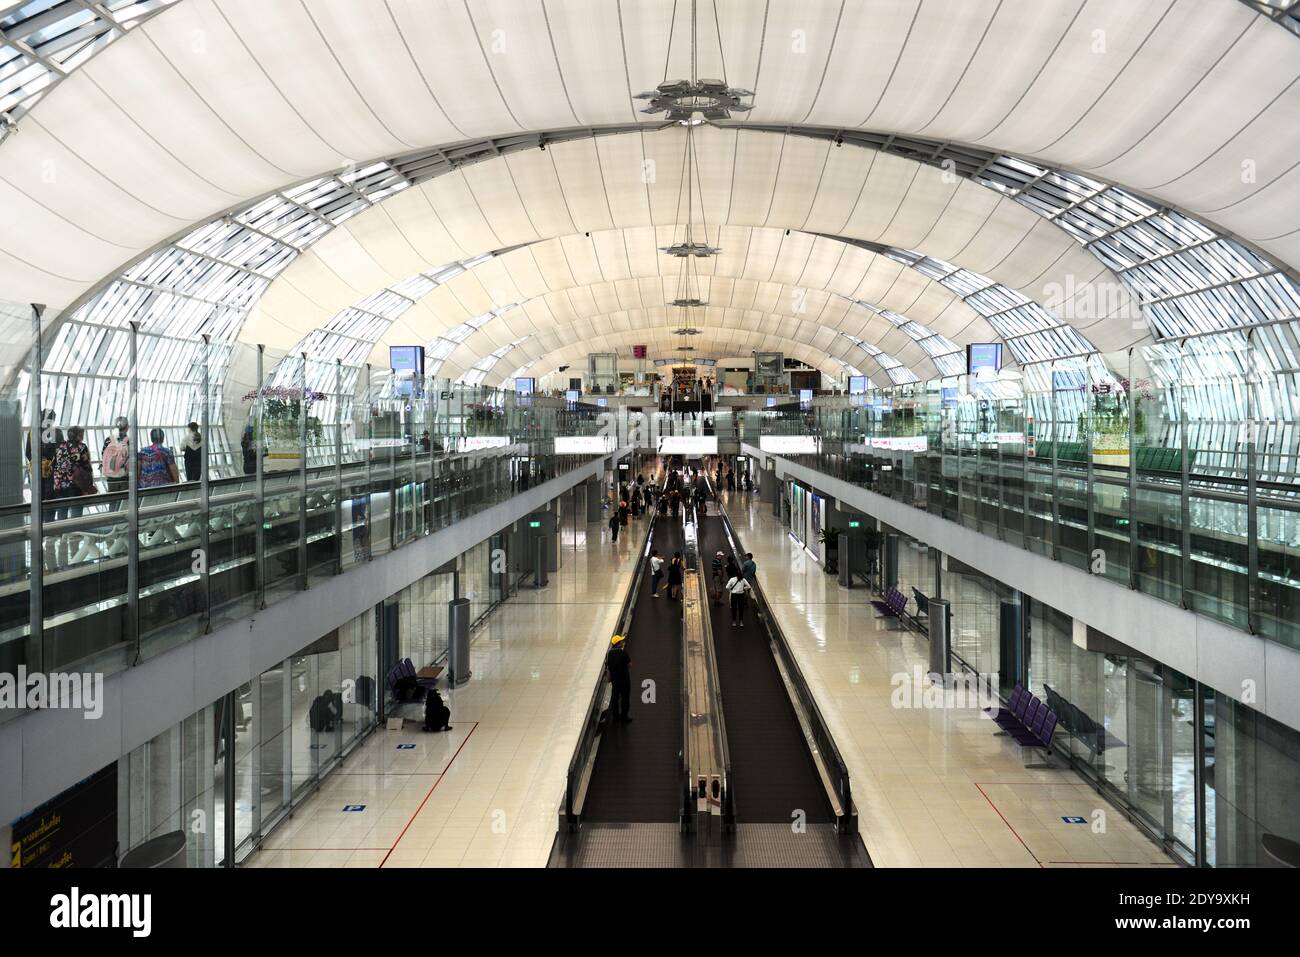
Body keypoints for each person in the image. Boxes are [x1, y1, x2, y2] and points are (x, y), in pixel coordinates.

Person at [26, 409, 63, 520]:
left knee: (38, 497)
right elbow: (61, 452)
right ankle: (49, 524)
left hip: (37, 470)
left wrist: (37, 463)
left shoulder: (32, 432)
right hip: (51, 471)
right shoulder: (56, 432)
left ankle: (39, 522)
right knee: (50, 497)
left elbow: (28, 452)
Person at [51, 426, 93, 521]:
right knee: (76, 509)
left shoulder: (60, 447)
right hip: (75, 484)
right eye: (81, 434)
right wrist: (88, 483)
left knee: (62, 510)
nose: (82, 436)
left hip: (60, 484)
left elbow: (54, 464)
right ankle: (74, 532)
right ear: (77, 435)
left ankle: (61, 532)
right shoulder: (82, 447)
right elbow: (87, 466)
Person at [101, 416, 131, 499]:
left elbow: (103, 454)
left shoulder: (108, 440)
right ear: (127, 427)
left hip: (111, 477)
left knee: (112, 501)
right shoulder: (129, 441)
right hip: (124, 477)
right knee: (124, 502)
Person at [606, 635, 631, 724]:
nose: (623, 642)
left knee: (615, 697)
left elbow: (608, 666)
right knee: (625, 697)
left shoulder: (609, 653)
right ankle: (624, 717)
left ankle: (615, 717)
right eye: (621, 641)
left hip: (615, 680)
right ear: (618, 643)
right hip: (624, 679)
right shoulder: (623, 652)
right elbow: (629, 664)